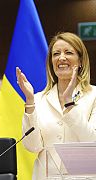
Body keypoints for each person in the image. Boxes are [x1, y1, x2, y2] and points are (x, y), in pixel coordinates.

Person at [16, 32, 96, 179]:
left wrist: (69, 104)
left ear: (80, 61)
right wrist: (29, 101)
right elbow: (32, 146)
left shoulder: (94, 96)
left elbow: (92, 141)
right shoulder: (38, 99)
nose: (61, 58)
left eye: (68, 52)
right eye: (56, 54)